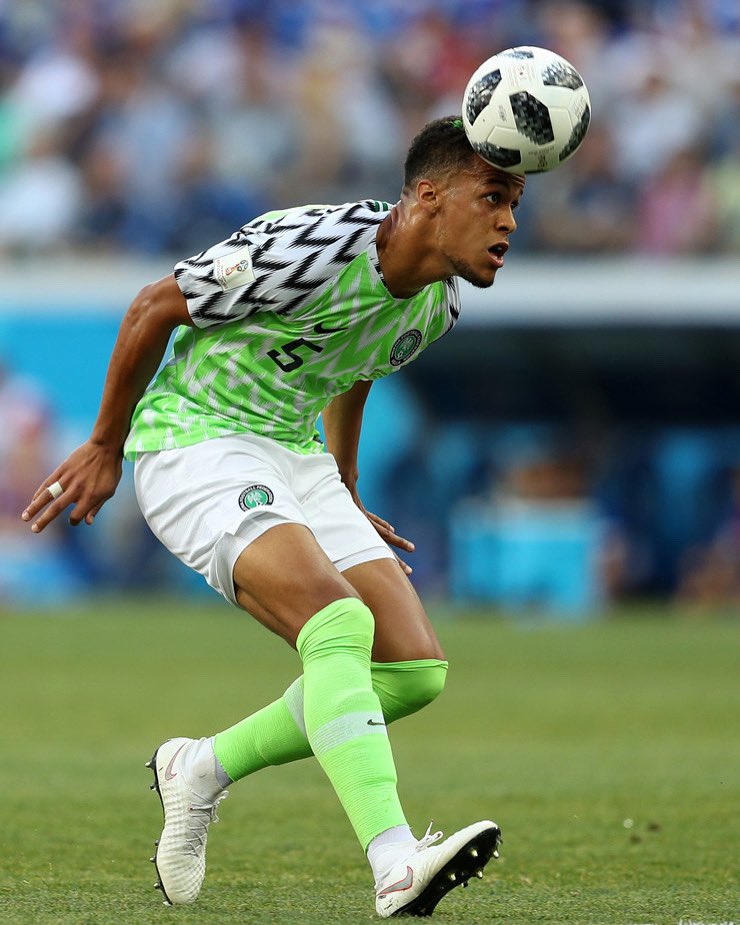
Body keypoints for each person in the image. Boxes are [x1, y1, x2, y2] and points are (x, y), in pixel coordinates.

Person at [22, 117, 523, 918]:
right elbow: (154, 305)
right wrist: (106, 444)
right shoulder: (315, 246)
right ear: (429, 196)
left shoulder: (436, 306)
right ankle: (395, 859)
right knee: (339, 623)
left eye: (516, 204)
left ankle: (200, 766)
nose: (508, 222)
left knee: (412, 670)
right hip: (196, 437)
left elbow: (359, 360)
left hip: (293, 451)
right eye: (493, 198)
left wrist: (343, 480)